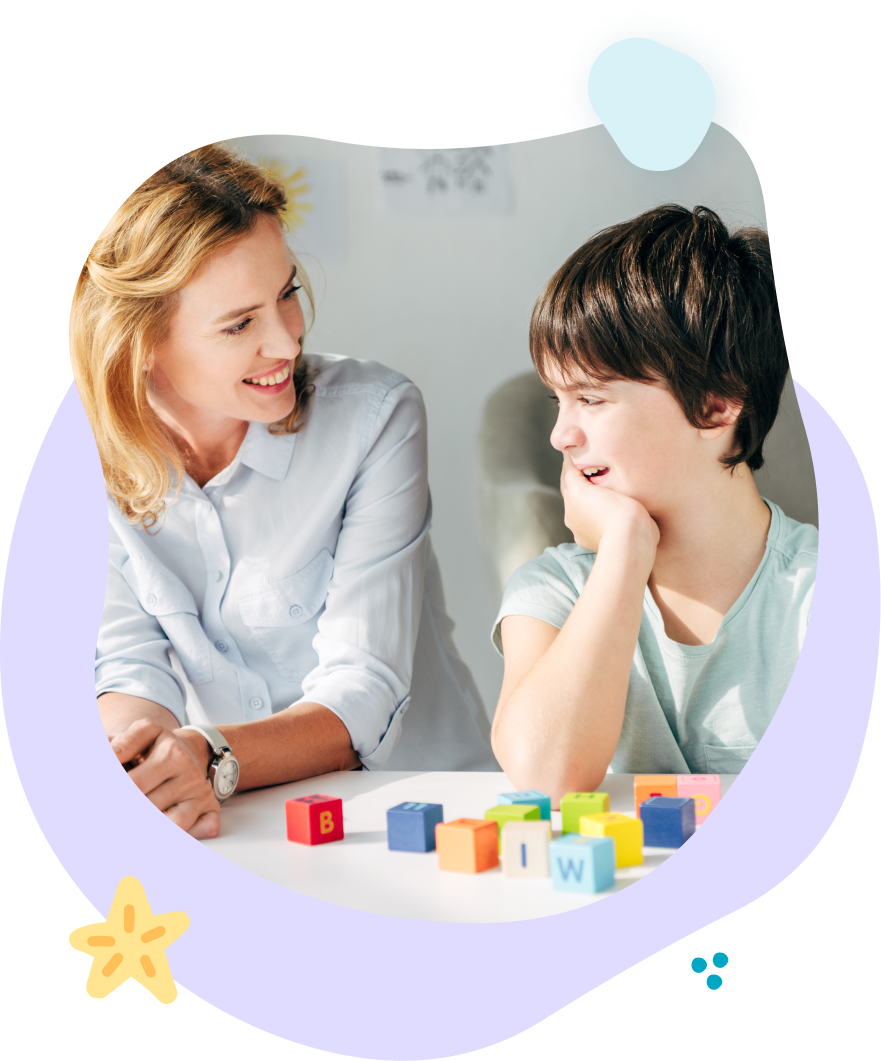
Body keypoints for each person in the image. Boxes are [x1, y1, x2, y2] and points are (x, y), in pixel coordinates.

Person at [70, 144, 496, 841]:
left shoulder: (375, 415)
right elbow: (127, 665)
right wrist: (139, 766)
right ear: (140, 339)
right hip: (248, 825)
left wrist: (205, 754)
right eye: (239, 324)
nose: (288, 341)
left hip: (425, 810)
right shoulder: (87, 461)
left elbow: (363, 689)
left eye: (287, 293)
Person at [490, 204, 817, 807]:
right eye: (557, 400)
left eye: (590, 398)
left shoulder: (825, 592)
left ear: (717, 406)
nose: (561, 435)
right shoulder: (553, 591)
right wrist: (624, 548)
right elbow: (544, 777)